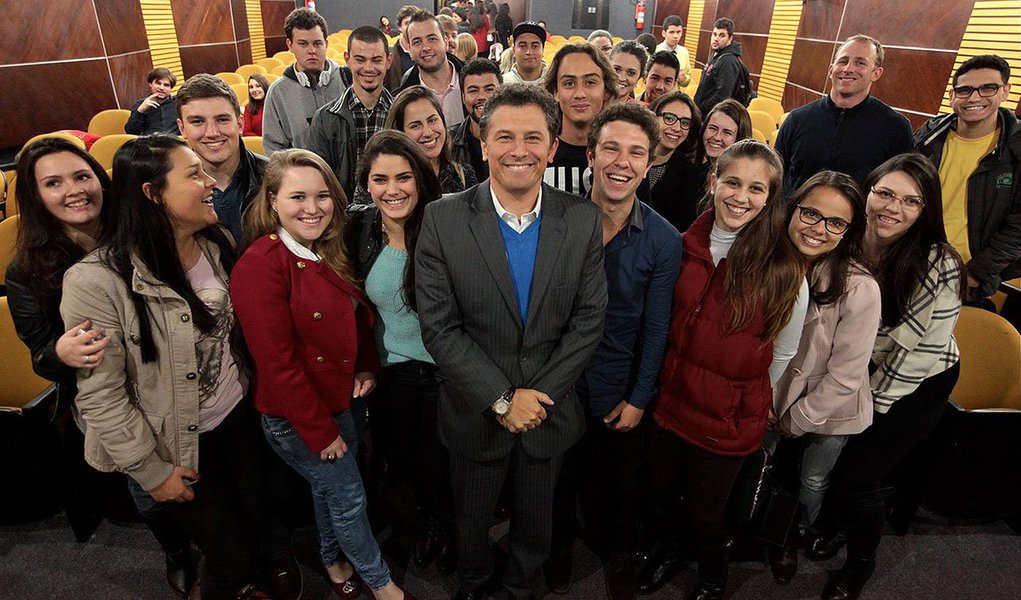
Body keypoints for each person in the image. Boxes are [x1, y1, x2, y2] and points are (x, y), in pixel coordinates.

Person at [59, 135, 284, 600]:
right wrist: (151, 471)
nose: (210, 185)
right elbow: (102, 396)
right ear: (152, 193)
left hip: (237, 419)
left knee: (259, 523)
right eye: (194, 175)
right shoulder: (96, 282)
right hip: (177, 441)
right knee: (227, 556)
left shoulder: (216, 242)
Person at [415, 83, 607, 600]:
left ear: (551, 147)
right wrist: (502, 399)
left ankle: (523, 588)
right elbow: (439, 325)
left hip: (550, 408)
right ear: (482, 143)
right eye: (504, 136)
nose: (517, 150)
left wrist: (535, 400)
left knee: (536, 525)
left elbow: (589, 320)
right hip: (477, 411)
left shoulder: (583, 219)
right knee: (471, 524)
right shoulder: (443, 218)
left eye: (532, 138)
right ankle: (475, 586)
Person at [6, 138, 197, 598]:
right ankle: (176, 550)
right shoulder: (27, 270)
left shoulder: (138, 230)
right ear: (36, 197)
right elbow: (39, 354)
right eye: (53, 183)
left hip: (171, 374)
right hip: (107, 391)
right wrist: (60, 354)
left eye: (81, 176)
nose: (73, 190)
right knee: (147, 484)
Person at [231, 149, 414, 600]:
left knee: (330, 492)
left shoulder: (324, 249)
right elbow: (277, 366)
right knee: (349, 497)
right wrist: (319, 431)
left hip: (340, 400)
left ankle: (332, 560)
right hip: (299, 417)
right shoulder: (259, 264)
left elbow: (355, 319)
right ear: (272, 200)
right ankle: (380, 583)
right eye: (297, 197)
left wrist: (368, 367)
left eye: (322, 196)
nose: (312, 208)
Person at [637, 140, 808, 599]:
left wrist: (739, 398)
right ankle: (671, 550)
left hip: (725, 420)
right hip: (670, 404)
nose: (740, 197)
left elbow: (785, 353)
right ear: (713, 182)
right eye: (732, 182)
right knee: (662, 493)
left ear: (771, 199)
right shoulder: (682, 245)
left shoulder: (784, 268)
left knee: (707, 513)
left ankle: (713, 577)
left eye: (757, 189)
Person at [812, 154, 964, 600]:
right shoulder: (849, 239)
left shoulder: (940, 263)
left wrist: (863, 413)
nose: (893, 208)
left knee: (859, 471)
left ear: (925, 210)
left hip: (920, 379)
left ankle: (861, 563)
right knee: (837, 458)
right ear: (868, 191)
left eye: (911, 201)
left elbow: (913, 359)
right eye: (885, 193)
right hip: (862, 365)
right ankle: (836, 524)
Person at [547, 102, 682, 599]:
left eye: (636, 153)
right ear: (590, 154)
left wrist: (640, 397)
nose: (622, 163)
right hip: (555, 384)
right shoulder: (554, 219)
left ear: (648, 164)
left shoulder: (665, 241)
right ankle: (557, 550)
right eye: (611, 149)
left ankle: (617, 553)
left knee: (618, 486)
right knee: (556, 481)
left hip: (617, 386)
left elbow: (656, 328)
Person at [345, 130, 456, 574]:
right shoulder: (358, 229)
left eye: (403, 177)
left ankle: (441, 525)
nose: (392, 190)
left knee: (438, 464)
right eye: (380, 179)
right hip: (389, 371)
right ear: (366, 184)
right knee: (397, 459)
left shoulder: (446, 226)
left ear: (421, 178)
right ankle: (414, 522)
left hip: (444, 371)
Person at [767, 171, 880, 585]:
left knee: (811, 478)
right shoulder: (769, 258)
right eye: (811, 213)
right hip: (771, 397)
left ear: (849, 231)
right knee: (764, 468)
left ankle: (792, 540)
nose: (819, 229)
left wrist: (797, 419)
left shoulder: (859, 286)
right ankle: (758, 528)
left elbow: (846, 376)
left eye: (835, 222)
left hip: (830, 406)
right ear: (792, 208)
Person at [914, 54, 1020, 303]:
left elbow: (1018, 228)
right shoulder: (929, 137)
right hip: (913, 264)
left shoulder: (1015, 150)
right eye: (965, 90)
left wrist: (974, 274)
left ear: (1005, 91)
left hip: (963, 278)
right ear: (952, 96)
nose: (974, 97)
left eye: (987, 88)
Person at [775, 35, 913, 196]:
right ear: (830, 70)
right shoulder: (796, 119)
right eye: (843, 61)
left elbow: (897, 190)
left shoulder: (896, 128)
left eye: (860, 63)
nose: (848, 69)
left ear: (876, 73)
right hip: (795, 218)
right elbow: (776, 178)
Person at [306, 26, 395, 199]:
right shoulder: (325, 118)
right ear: (347, 59)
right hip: (344, 217)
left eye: (376, 60)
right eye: (360, 60)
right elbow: (316, 179)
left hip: (392, 210)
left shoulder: (401, 113)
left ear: (388, 61)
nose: (368, 68)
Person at [176, 74, 267, 244]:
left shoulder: (275, 178)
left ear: (240, 124)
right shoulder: (169, 193)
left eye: (222, 119)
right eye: (197, 121)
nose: (212, 133)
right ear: (182, 129)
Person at [263, 8, 347, 154]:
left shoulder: (347, 79)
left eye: (317, 43)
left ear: (326, 44)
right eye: (303, 44)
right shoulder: (278, 93)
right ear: (290, 45)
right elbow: (274, 149)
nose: (311, 50)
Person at [544, 42, 617, 197]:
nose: (580, 94)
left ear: (606, 90)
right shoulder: (538, 152)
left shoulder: (622, 157)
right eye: (569, 83)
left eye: (590, 82)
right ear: (556, 92)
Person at [386, 86, 477, 194]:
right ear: (399, 132)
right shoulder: (384, 180)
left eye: (432, 120)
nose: (428, 132)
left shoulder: (464, 176)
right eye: (415, 126)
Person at [637, 91, 704, 232]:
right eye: (669, 118)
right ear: (653, 117)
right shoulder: (630, 157)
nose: (677, 128)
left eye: (685, 123)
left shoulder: (691, 174)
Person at [399, 11, 467, 128]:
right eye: (417, 42)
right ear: (409, 48)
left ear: (445, 42)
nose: (425, 47)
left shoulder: (473, 81)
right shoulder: (403, 100)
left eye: (432, 39)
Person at [451, 57, 502, 181]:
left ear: (502, 92)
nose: (481, 97)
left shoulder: (520, 138)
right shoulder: (448, 143)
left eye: (489, 89)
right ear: (463, 97)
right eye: (473, 91)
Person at [693, 18, 749, 116]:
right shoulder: (717, 55)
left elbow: (722, 96)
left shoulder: (728, 61)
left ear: (730, 38)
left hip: (711, 115)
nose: (716, 39)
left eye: (722, 35)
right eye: (714, 34)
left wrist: (701, 108)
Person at [125, 68, 181, 135]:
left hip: (175, 143)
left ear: (170, 88)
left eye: (166, 85)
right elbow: (131, 133)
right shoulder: (140, 105)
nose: (161, 88)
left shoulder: (178, 103)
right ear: (150, 84)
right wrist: (140, 111)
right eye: (158, 83)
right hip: (150, 143)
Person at [386, 5, 422, 91]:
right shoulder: (388, 54)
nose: (411, 27)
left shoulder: (426, 52)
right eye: (407, 23)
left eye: (414, 23)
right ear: (399, 27)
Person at [655, 15, 692, 87]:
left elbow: (687, 80)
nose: (675, 36)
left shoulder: (684, 52)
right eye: (672, 32)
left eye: (678, 32)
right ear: (664, 33)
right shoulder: (656, 50)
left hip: (674, 94)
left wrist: (684, 78)